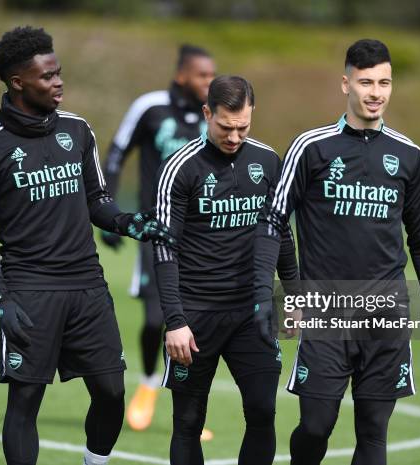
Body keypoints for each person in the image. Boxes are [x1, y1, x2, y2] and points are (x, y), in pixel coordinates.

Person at [0, 26, 173, 465]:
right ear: (18, 82)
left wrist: (134, 224)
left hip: (87, 286)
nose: (58, 83)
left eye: (59, 73)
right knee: (25, 402)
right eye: (47, 77)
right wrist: (1, 300)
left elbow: (97, 201)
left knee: (112, 391)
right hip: (29, 290)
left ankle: (93, 461)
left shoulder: (77, 130)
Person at [253, 39, 420, 465]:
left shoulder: (411, 157)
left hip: (387, 313)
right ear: (346, 84)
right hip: (327, 312)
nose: (376, 92)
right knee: (315, 426)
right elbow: (272, 223)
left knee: (373, 432)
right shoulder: (311, 148)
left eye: (384, 82)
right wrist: (265, 295)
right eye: (365, 82)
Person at [154, 75, 299, 465]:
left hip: (252, 314)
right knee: (187, 422)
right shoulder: (179, 169)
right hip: (195, 316)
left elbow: (282, 236)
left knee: (263, 411)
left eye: (243, 127)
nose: (234, 136)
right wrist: (174, 321)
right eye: (225, 127)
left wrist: (296, 296)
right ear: (207, 114)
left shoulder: (268, 161)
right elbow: (164, 250)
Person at [101, 44, 216, 432]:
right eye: (203, 75)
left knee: (195, 322)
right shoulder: (149, 107)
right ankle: (149, 384)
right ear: (183, 74)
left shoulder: (213, 112)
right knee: (156, 320)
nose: (209, 82)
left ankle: (188, 409)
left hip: (203, 236)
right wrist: (109, 214)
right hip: (158, 231)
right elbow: (116, 155)